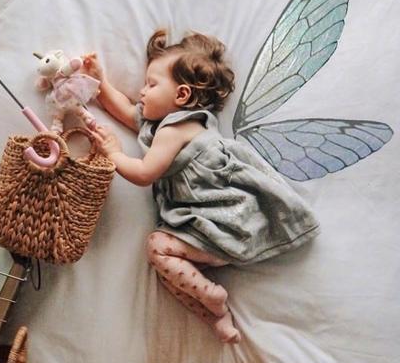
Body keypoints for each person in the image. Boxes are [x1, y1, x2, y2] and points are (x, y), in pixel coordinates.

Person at [85, 30, 319, 343]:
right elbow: (127, 112)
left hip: (217, 223)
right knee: (169, 274)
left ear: (181, 95)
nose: (141, 92)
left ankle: (211, 296)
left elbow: (144, 173)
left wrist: (114, 153)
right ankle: (216, 314)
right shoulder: (169, 124)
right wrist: (100, 82)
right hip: (205, 230)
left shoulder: (174, 131)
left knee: (157, 248)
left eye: (151, 85)